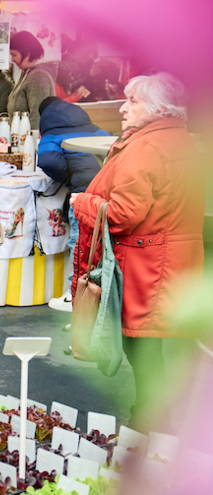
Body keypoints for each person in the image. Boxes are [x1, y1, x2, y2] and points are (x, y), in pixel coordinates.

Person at [69, 73, 204, 424]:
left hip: (146, 263)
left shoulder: (146, 147)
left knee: (141, 346)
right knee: (151, 345)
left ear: (157, 109)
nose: (123, 108)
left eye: (133, 101)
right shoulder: (179, 139)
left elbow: (121, 215)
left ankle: (150, 420)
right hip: (165, 258)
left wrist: (81, 202)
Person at [37, 96, 109, 313]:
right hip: (107, 196)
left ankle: (74, 295)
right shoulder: (96, 130)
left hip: (82, 195)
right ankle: (101, 294)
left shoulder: (51, 135)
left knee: (79, 243)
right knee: (104, 245)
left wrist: (68, 178)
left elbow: (48, 161)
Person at [7, 31, 57, 130]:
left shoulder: (38, 77)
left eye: (14, 55)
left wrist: (32, 138)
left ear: (27, 53)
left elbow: (37, 117)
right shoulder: (28, 73)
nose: (12, 59)